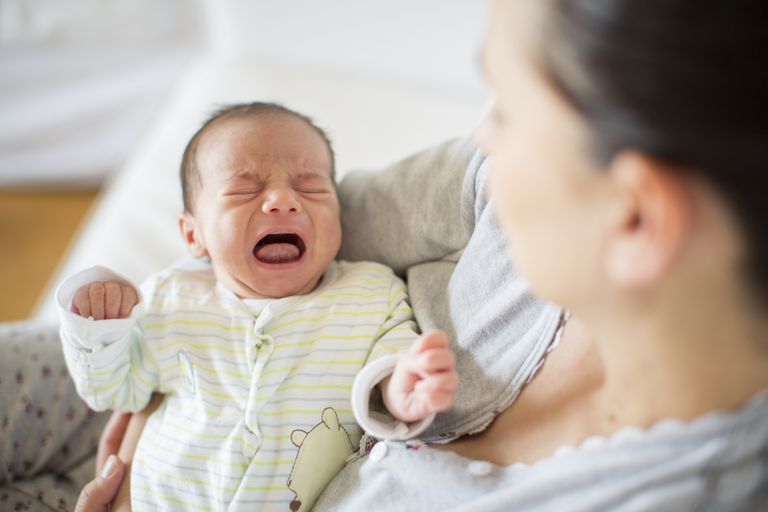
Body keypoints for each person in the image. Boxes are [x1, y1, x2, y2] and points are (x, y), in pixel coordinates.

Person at [3, 0, 767, 509]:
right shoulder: (491, 199)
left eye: (512, 109)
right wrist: (175, 344)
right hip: (182, 398)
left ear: (633, 218)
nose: (480, 138)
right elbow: (322, 218)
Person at [56, 102, 458, 511]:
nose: (283, 200)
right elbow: (114, 391)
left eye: (311, 187)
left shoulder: (372, 292)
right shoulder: (171, 297)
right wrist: (101, 327)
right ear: (193, 235)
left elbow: (388, 363)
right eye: (244, 189)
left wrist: (402, 388)